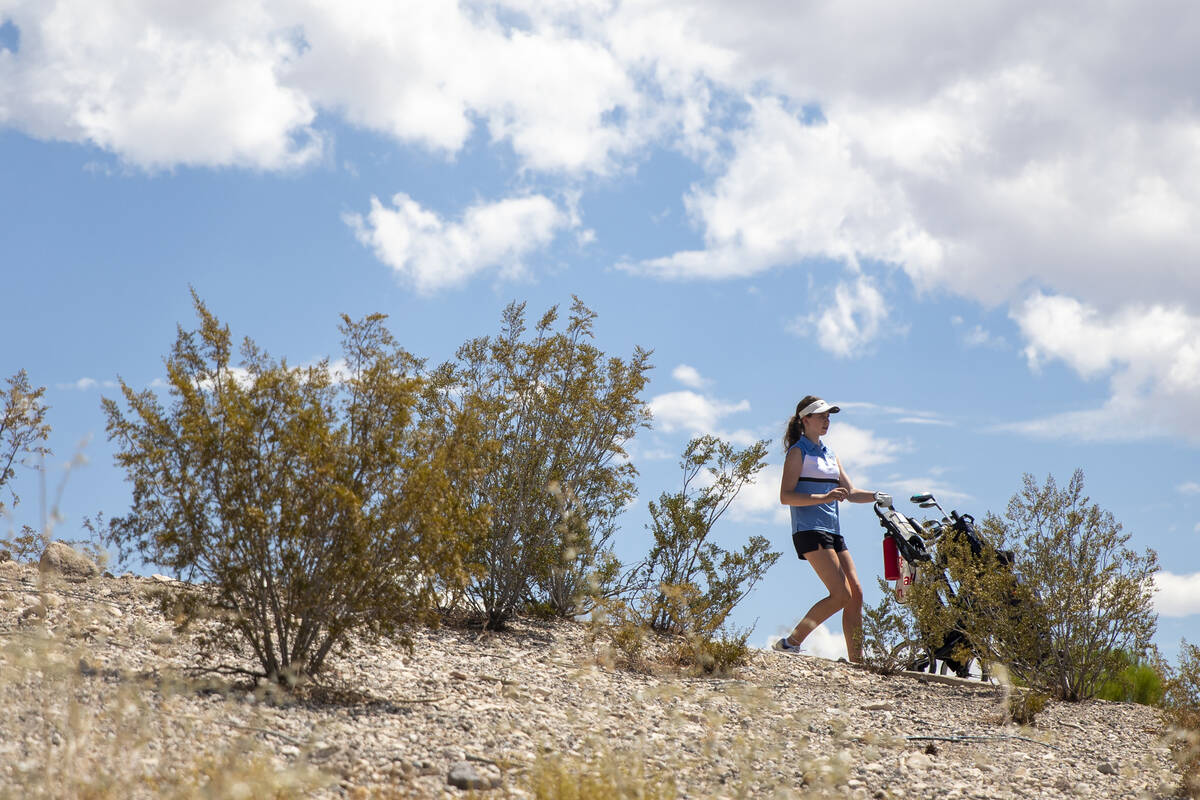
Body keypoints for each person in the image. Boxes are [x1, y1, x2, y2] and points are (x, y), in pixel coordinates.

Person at [773, 395, 878, 662]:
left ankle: (858, 662)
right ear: (805, 420)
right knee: (841, 594)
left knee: (856, 594)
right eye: (821, 416)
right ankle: (790, 643)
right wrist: (824, 497)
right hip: (809, 529)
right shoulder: (798, 452)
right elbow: (786, 496)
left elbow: (851, 492)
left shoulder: (830, 454)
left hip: (833, 530)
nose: (826, 421)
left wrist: (878, 496)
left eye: (828, 416)